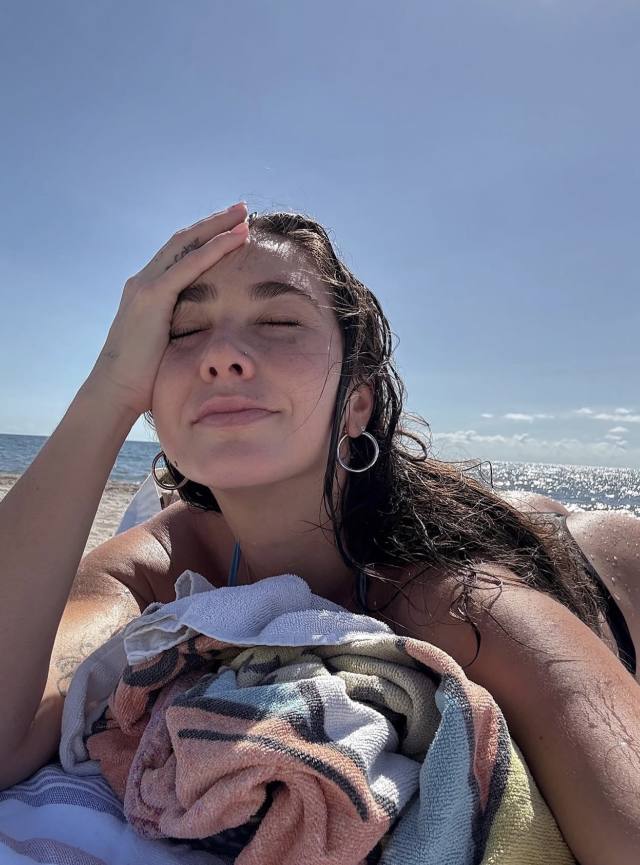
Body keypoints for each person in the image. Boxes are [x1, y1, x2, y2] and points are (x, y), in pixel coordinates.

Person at [1, 202, 639, 865]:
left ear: (357, 402)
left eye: (278, 321)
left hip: (601, 560)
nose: (220, 355)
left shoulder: (457, 596)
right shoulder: (156, 563)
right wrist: (109, 386)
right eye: (183, 331)